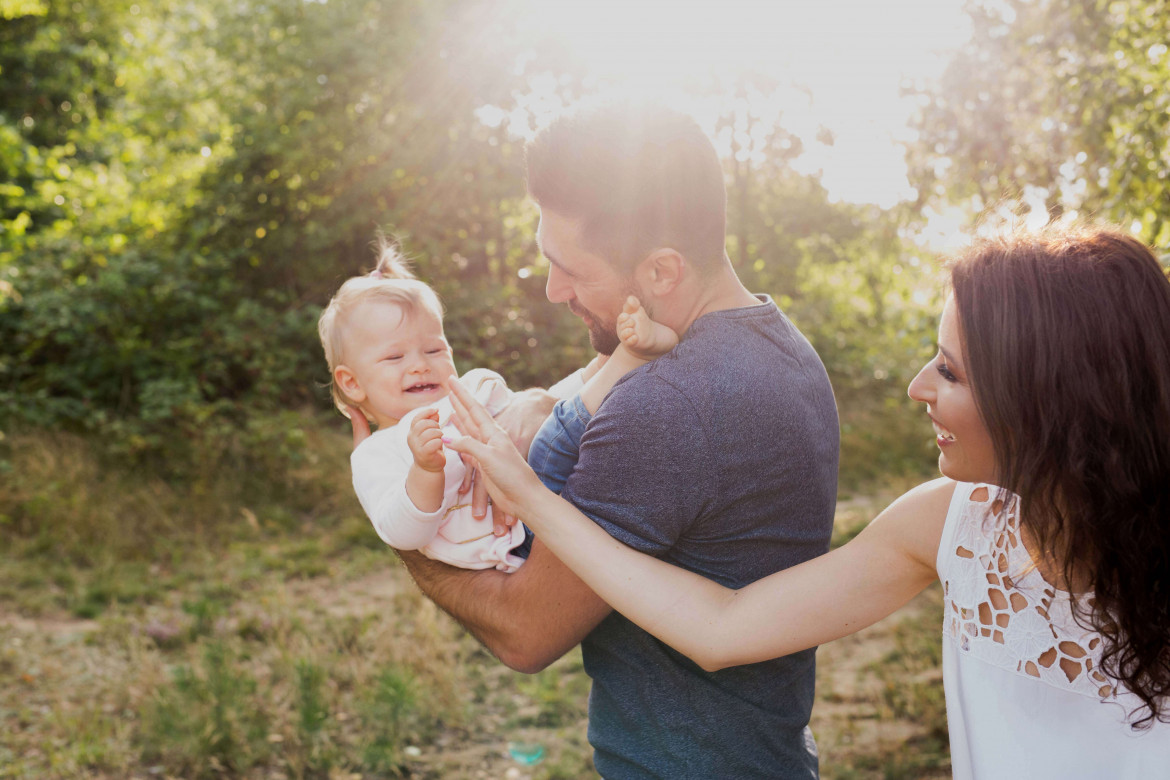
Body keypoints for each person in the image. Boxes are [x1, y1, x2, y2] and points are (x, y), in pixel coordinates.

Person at [446, 224, 1170, 779]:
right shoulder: (949, 522)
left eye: (950, 372)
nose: (918, 387)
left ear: (1051, 401)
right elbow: (720, 627)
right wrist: (532, 500)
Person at [355, 99, 840, 778]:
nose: (554, 290)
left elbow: (526, 632)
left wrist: (400, 522)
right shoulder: (780, 348)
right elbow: (594, 391)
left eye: (571, 269)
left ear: (661, 272)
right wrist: (539, 401)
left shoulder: (667, 404)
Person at [322, 240, 678, 572]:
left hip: (541, 502)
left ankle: (616, 358)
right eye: (395, 356)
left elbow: (534, 412)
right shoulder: (376, 454)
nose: (419, 365)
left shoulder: (464, 396)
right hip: (516, 541)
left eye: (434, 350)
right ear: (352, 382)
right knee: (562, 428)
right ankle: (631, 355)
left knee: (558, 415)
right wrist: (425, 471)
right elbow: (402, 535)